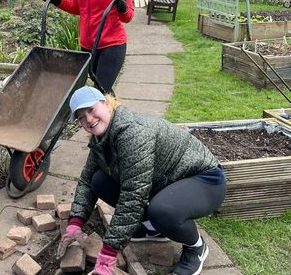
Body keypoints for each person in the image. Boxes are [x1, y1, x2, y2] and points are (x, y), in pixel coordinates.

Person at [58, 86, 226, 275]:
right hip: (167, 181)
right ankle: (152, 229)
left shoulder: (133, 133)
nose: (88, 119)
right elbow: (87, 181)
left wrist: (108, 254)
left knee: (162, 211)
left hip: (205, 180)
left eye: (91, 110)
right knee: (99, 180)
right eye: (81, 116)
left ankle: (196, 247)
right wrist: (75, 222)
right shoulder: (101, 138)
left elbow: (133, 195)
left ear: (106, 104)